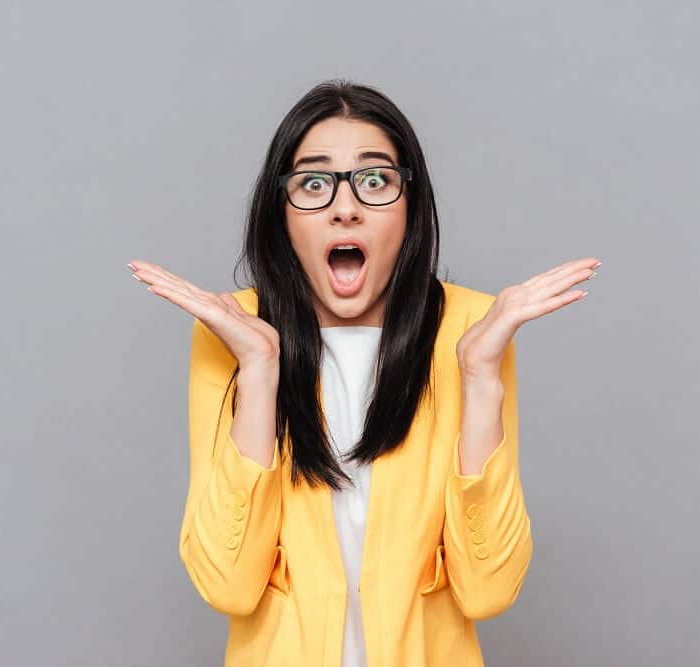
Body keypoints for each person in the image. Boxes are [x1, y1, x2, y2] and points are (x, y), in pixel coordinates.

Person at [127, 79, 600, 667]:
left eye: (375, 180)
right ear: (282, 213)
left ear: (409, 206)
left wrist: (480, 378)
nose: (344, 207)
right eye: (313, 183)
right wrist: (258, 369)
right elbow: (226, 584)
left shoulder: (473, 329)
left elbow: (489, 589)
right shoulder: (234, 332)